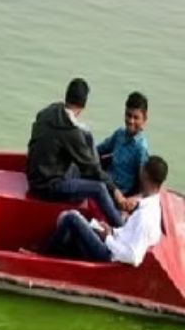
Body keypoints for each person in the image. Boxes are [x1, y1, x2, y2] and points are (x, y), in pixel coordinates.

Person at [26, 78, 130, 227]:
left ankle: (101, 177)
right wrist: (114, 190)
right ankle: (121, 227)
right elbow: (91, 169)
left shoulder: (49, 111)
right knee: (99, 188)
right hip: (47, 187)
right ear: (84, 105)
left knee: (85, 137)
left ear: (66, 95)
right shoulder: (71, 132)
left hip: (34, 175)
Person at [44, 156, 167, 265]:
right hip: (116, 242)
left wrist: (108, 238)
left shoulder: (145, 217)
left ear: (143, 174)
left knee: (71, 218)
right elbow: (128, 234)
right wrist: (112, 231)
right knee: (68, 218)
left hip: (109, 255)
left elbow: (133, 257)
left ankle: (45, 258)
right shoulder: (152, 206)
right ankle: (62, 254)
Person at [95, 91, 150, 196]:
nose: (131, 121)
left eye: (136, 117)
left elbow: (142, 182)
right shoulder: (119, 134)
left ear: (144, 119)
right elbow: (100, 149)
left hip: (121, 193)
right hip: (107, 182)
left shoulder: (141, 148)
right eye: (128, 115)